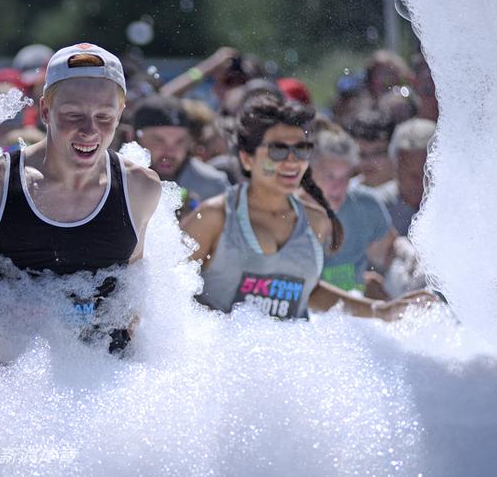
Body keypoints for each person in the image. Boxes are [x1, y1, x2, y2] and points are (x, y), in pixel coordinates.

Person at [0, 43, 161, 369]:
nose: (89, 131)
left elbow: (130, 299)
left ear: (120, 113)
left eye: (104, 116)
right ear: (45, 111)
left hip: (103, 384)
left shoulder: (140, 187)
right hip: (20, 383)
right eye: (73, 115)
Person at [180, 95, 432, 320]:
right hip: (228, 363)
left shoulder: (316, 221)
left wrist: (379, 311)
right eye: (278, 151)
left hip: (295, 359)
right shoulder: (214, 218)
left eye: (300, 150)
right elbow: (169, 295)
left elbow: (307, 290)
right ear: (247, 158)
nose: (292, 162)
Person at [310, 125, 397, 297]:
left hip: (355, 316)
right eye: (330, 176)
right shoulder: (289, 213)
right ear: (309, 173)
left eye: (345, 177)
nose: (338, 187)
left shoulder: (365, 206)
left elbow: (393, 257)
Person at [131, 94, 229, 209]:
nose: (170, 152)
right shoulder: (113, 181)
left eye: (180, 141)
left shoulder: (213, 185)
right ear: (133, 138)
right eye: (158, 140)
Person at [372, 118, 436, 237]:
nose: (418, 180)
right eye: (408, 171)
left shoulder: (454, 209)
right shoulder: (375, 208)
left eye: (426, 171)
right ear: (394, 168)